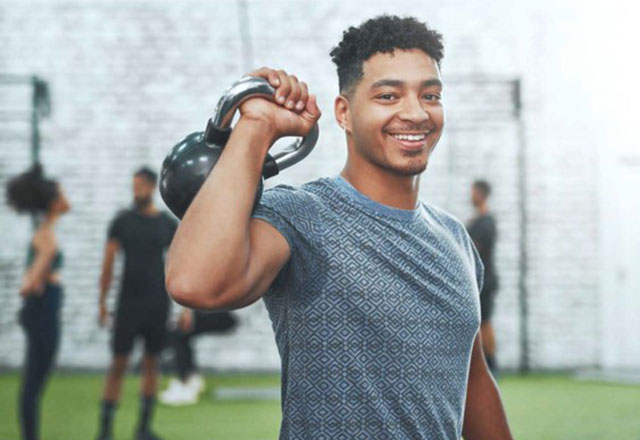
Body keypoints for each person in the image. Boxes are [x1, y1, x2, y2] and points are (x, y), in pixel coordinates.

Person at [166, 15, 513, 439]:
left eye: (431, 94)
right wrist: (257, 126)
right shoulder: (301, 215)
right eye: (388, 95)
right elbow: (195, 283)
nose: (416, 112)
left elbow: (474, 382)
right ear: (344, 113)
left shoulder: (454, 238)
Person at [96, 167, 178, 440]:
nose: (136, 190)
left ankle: (143, 428)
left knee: (151, 363)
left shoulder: (166, 224)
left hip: (157, 305)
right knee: (118, 364)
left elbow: (180, 265)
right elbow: (108, 265)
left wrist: (186, 307)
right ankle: (105, 430)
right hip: (127, 305)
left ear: (152, 187)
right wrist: (102, 303)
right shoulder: (121, 222)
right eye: (133, 185)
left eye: (140, 185)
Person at [6, 164, 70, 440]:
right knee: (33, 383)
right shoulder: (47, 238)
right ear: (55, 204)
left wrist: (38, 280)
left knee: (35, 381)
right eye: (63, 195)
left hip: (42, 311)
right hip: (41, 312)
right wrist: (39, 280)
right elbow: (28, 286)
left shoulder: (46, 233)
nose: (67, 199)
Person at [159, 309, 236, 406]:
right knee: (178, 333)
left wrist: (188, 313)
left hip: (222, 314)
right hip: (209, 312)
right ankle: (190, 379)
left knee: (179, 334)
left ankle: (186, 383)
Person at [467, 180, 500, 376]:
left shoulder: (487, 223)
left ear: (480, 194)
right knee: (479, 323)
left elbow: (478, 249)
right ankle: (484, 365)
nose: (470, 195)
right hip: (474, 280)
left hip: (485, 282)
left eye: (473, 192)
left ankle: (492, 366)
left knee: (485, 322)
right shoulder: (477, 220)